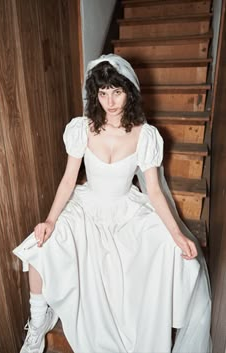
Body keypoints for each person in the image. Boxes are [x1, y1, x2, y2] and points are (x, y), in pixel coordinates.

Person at [13, 54, 212, 353]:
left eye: (116, 92)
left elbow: (155, 192)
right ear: (95, 94)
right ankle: (39, 321)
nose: (109, 101)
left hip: (125, 208)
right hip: (86, 204)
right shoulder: (82, 128)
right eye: (102, 92)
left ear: (129, 92)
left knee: (172, 248)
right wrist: (51, 220)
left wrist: (177, 234)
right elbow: (69, 180)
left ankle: (148, 316)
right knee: (38, 244)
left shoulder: (145, 136)